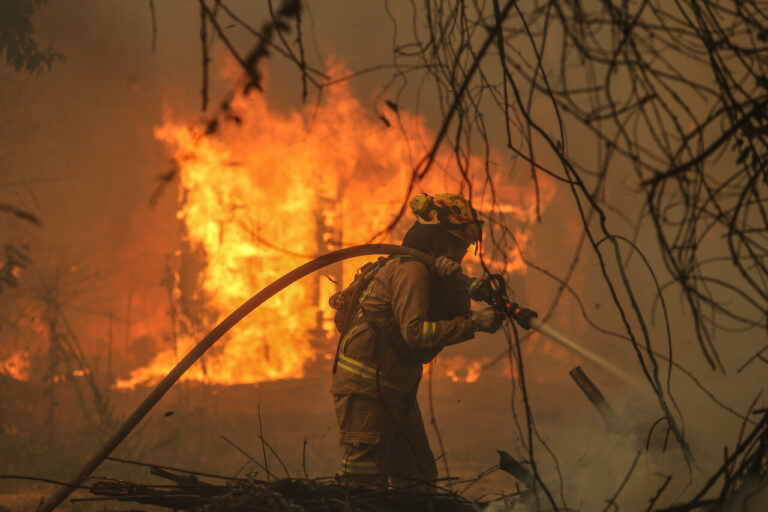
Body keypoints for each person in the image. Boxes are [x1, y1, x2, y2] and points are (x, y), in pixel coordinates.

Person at [329, 192, 505, 487]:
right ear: (436, 240)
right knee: (364, 484)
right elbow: (416, 334)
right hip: (366, 391)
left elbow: (450, 315)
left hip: (395, 389)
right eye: (457, 244)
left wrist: (455, 283)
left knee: (418, 478)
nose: (461, 252)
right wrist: (475, 323)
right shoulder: (412, 271)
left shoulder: (431, 273)